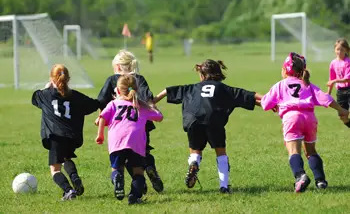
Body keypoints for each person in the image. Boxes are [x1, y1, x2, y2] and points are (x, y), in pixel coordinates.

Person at [153, 59, 262, 193]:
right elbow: (250, 96)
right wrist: (270, 102)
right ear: (218, 73)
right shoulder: (225, 89)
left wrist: (152, 102)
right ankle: (224, 186)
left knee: (195, 150)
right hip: (214, 121)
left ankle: (194, 163)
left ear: (202, 75)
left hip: (193, 121)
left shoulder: (191, 88)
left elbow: (167, 91)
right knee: (220, 152)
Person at [261, 52, 349, 193]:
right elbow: (325, 98)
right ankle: (320, 181)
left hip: (291, 118)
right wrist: (341, 109)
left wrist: (273, 104)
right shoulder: (307, 84)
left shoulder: (280, 85)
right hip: (309, 118)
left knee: (293, 151)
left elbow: (265, 104)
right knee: (311, 151)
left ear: (285, 70)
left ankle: (300, 176)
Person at [96, 50, 164, 193]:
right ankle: (150, 168)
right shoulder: (139, 78)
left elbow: (101, 101)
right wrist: (153, 108)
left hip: (119, 124)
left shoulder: (112, 79)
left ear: (118, 67)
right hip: (140, 122)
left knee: (124, 155)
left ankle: (137, 183)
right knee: (142, 152)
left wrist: (100, 116)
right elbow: (148, 98)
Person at [32, 64, 101, 201]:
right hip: (72, 137)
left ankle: (68, 190)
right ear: (68, 79)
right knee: (66, 159)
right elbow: (94, 104)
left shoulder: (44, 95)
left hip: (56, 137)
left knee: (55, 170)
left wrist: (47, 88)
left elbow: (35, 98)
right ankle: (75, 177)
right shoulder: (76, 96)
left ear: (52, 79)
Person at [327, 38, 350, 127]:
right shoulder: (333, 63)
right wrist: (328, 93)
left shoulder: (348, 62)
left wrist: (335, 80)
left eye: (342, 50)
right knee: (342, 116)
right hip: (340, 92)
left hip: (349, 89)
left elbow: (348, 78)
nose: (339, 52)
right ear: (334, 50)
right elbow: (331, 80)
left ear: (346, 50)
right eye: (338, 49)